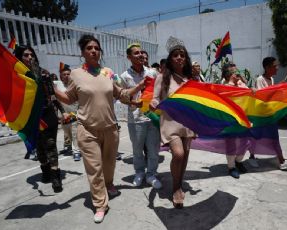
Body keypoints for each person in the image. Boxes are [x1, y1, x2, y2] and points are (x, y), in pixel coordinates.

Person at [54, 34, 145, 223]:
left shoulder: (108, 72)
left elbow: (120, 94)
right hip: (87, 130)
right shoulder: (76, 74)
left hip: (110, 128)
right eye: (89, 48)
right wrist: (53, 91)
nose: (94, 51)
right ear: (83, 52)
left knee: (109, 164)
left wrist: (136, 96)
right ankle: (100, 204)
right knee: (94, 169)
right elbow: (70, 98)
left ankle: (109, 184)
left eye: (96, 48)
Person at [149, 38, 196, 208]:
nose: (179, 58)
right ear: (170, 58)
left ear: (186, 59)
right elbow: (155, 99)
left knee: (186, 156)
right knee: (178, 154)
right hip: (170, 123)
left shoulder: (190, 78)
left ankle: (179, 183)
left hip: (188, 122)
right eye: (175, 55)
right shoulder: (163, 77)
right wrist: (153, 104)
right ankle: (175, 187)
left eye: (182, 55)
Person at [14, 45, 67, 193]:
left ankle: (56, 177)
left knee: (50, 144)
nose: (30, 57)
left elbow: (52, 96)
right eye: (25, 55)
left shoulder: (44, 74)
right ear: (19, 58)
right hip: (31, 117)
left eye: (31, 55)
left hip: (47, 114)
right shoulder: (16, 77)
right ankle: (45, 171)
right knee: (39, 147)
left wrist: (63, 112)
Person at [119, 43, 162, 189]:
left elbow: (159, 92)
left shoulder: (152, 73)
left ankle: (151, 175)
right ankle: (139, 173)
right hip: (135, 119)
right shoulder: (124, 76)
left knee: (153, 149)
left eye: (141, 53)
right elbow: (122, 97)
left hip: (152, 117)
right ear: (129, 57)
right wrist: (134, 100)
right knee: (137, 149)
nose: (141, 55)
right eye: (136, 53)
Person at [249, 57, 287, 170]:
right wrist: (276, 89)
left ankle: (282, 161)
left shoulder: (270, 79)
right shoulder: (260, 80)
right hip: (260, 115)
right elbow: (262, 98)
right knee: (255, 137)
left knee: (274, 138)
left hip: (270, 115)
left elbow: (270, 95)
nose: (277, 68)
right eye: (275, 66)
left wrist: (277, 88)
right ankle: (251, 157)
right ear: (267, 68)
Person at [221, 63, 249, 178]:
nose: (237, 74)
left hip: (243, 119)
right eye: (234, 72)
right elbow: (225, 96)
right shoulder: (225, 85)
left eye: (237, 72)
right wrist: (232, 83)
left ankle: (239, 161)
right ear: (228, 75)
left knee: (245, 142)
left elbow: (248, 94)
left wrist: (241, 82)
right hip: (230, 120)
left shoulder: (241, 84)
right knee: (231, 143)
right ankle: (231, 167)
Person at [58, 62, 81, 161]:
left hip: (74, 113)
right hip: (63, 115)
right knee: (68, 133)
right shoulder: (57, 85)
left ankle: (76, 151)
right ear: (61, 76)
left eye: (68, 74)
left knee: (75, 132)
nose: (67, 76)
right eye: (64, 74)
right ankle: (73, 147)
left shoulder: (75, 85)